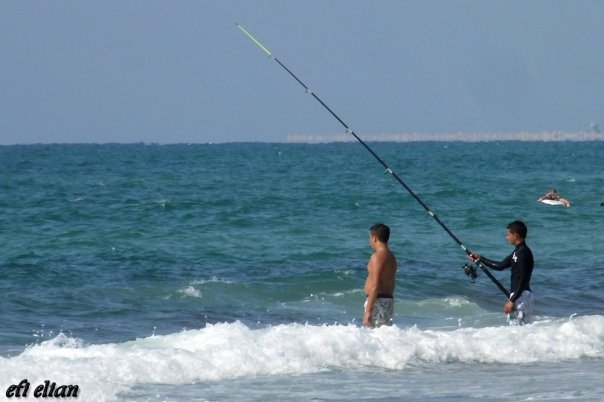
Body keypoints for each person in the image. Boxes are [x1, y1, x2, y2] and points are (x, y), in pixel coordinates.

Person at [469, 220, 534, 325]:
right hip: (520, 295)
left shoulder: (522, 253)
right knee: (520, 331)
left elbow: (522, 279)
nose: (506, 237)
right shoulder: (518, 252)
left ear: (516, 235)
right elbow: (500, 266)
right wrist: (480, 258)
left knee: (518, 331)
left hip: (521, 296)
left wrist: (512, 300)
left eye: (508, 234)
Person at [363, 223, 397, 327]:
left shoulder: (377, 257)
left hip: (377, 302)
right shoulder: (392, 257)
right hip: (388, 301)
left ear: (374, 238)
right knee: (382, 337)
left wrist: (368, 310)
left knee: (371, 336)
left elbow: (375, 286)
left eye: (370, 237)